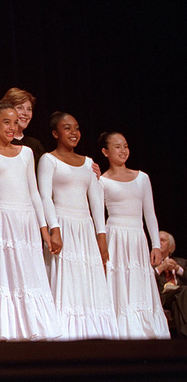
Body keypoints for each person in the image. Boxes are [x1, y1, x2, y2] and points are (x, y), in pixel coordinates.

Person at [0, 100, 61, 341]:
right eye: (6, 122)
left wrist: (44, 229)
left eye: (15, 122)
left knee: (29, 273)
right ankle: (7, 331)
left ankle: (34, 328)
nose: (12, 127)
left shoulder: (27, 153)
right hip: (2, 220)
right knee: (7, 275)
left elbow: (34, 193)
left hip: (27, 221)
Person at [37, 112, 118, 340]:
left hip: (85, 229)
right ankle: (66, 335)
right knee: (67, 281)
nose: (74, 133)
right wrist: (54, 228)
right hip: (62, 224)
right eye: (67, 128)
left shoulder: (89, 163)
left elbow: (96, 202)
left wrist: (101, 237)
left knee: (88, 280)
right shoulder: (48, 160)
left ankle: (94, 334)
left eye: (77, 128)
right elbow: (45, 197)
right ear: (55, 133)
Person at [98, 132, 170, 339]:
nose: (123, 151)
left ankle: (145, 329)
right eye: (117, 147)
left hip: (137, 237)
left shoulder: (142, 177)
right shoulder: (102, 181)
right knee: (119, 279)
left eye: (125, 146)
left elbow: (150, 213)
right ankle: (121, 331)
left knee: (138, 280)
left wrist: (155, 244)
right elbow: (97, 215)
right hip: (116, 237)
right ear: (105, 152)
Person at [155, 231, 187, 338]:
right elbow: (146, 280)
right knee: (183, 290)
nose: (159, 242)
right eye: (157, 239)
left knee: (177, 301)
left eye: (162, 240)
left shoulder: (182, 263)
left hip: (178, 298)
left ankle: (183, 337)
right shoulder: (150, 263)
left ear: (171, 247)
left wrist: (178, 269)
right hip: (162, 297)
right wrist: (161, 267)